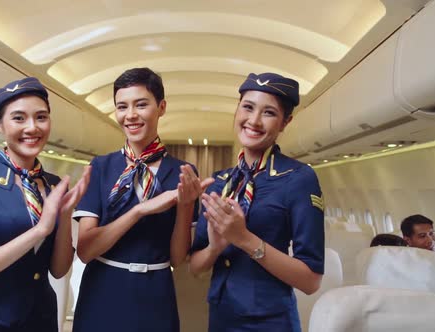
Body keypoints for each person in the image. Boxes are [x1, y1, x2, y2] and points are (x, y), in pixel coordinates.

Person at [72, 68, 213, 332]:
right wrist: (139, 211)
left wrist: (184, 207)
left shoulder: (183, 172)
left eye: (141, 104)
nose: (131, 115)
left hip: (156, 293)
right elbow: (86, 250)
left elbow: (177, 257)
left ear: (161, 107)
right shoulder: (100, 167)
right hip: (103, 291)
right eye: (122, 106)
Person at [0, 77, 91, 331]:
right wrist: (40, 228)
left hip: (42, 320)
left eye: (41, 117)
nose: (32, 127)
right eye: (18, 118)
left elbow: (58, 271)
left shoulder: (54, 185)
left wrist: (66, 214)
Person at [190, 72, 325, 332]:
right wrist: (216, 248)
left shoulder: (298, 179)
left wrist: (243, 238)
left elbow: (311, 281)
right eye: (248, 107)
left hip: (270, 321)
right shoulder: (221, 182)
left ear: (285, 122)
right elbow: (196, 267)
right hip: (220, 315)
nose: (253, 120)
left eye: (269, 113)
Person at [400, 214, 435, 301]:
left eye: (431, 233)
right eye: (422, 236)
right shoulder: (402, 263)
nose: (430, 240)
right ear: (408, 240)